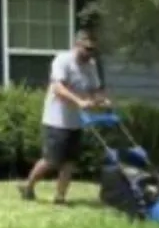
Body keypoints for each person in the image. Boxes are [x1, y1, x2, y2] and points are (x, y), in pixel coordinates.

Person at [19, 30, 111, 205]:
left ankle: (60, 197)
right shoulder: (62, 60)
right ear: (77, 45)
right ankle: (28, 187)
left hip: (76, 121)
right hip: (56, 119)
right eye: (87, 48)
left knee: (70, 161)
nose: (90, 52)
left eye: (93, 49)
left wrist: (102, 100)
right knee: (51, 160)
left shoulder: (90, 65)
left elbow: (95, 89)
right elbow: (58, 88)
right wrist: (79, 101)